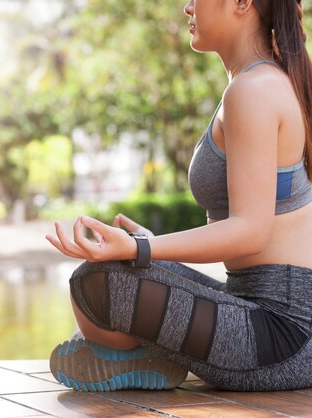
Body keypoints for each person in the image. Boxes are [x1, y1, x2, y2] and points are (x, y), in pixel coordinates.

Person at [46, 0, 312, 392]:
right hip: (262, 311)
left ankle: (141, 358)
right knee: (104, 279)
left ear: (242, 3)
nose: (187, 7)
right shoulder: (262, 83)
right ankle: (145, 358)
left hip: (282, 337)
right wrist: (151, 247)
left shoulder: (254, 90)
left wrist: (140, 249)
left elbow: (250, 231)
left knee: (96, 283)